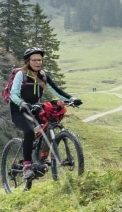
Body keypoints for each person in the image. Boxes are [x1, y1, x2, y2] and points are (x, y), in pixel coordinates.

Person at [8, 46, 81, 179]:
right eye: (34, 60)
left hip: (35, 107)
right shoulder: (21, 74)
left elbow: (57, 91)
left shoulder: (43, 76)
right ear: (28, 61)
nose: (38, 63)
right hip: (19, 109)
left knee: (47, 125)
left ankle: (39, 157)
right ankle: (27, 166)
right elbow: (13, 94)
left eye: (40, 60)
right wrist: (22, 103)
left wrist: (71, 99)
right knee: (29, 132)